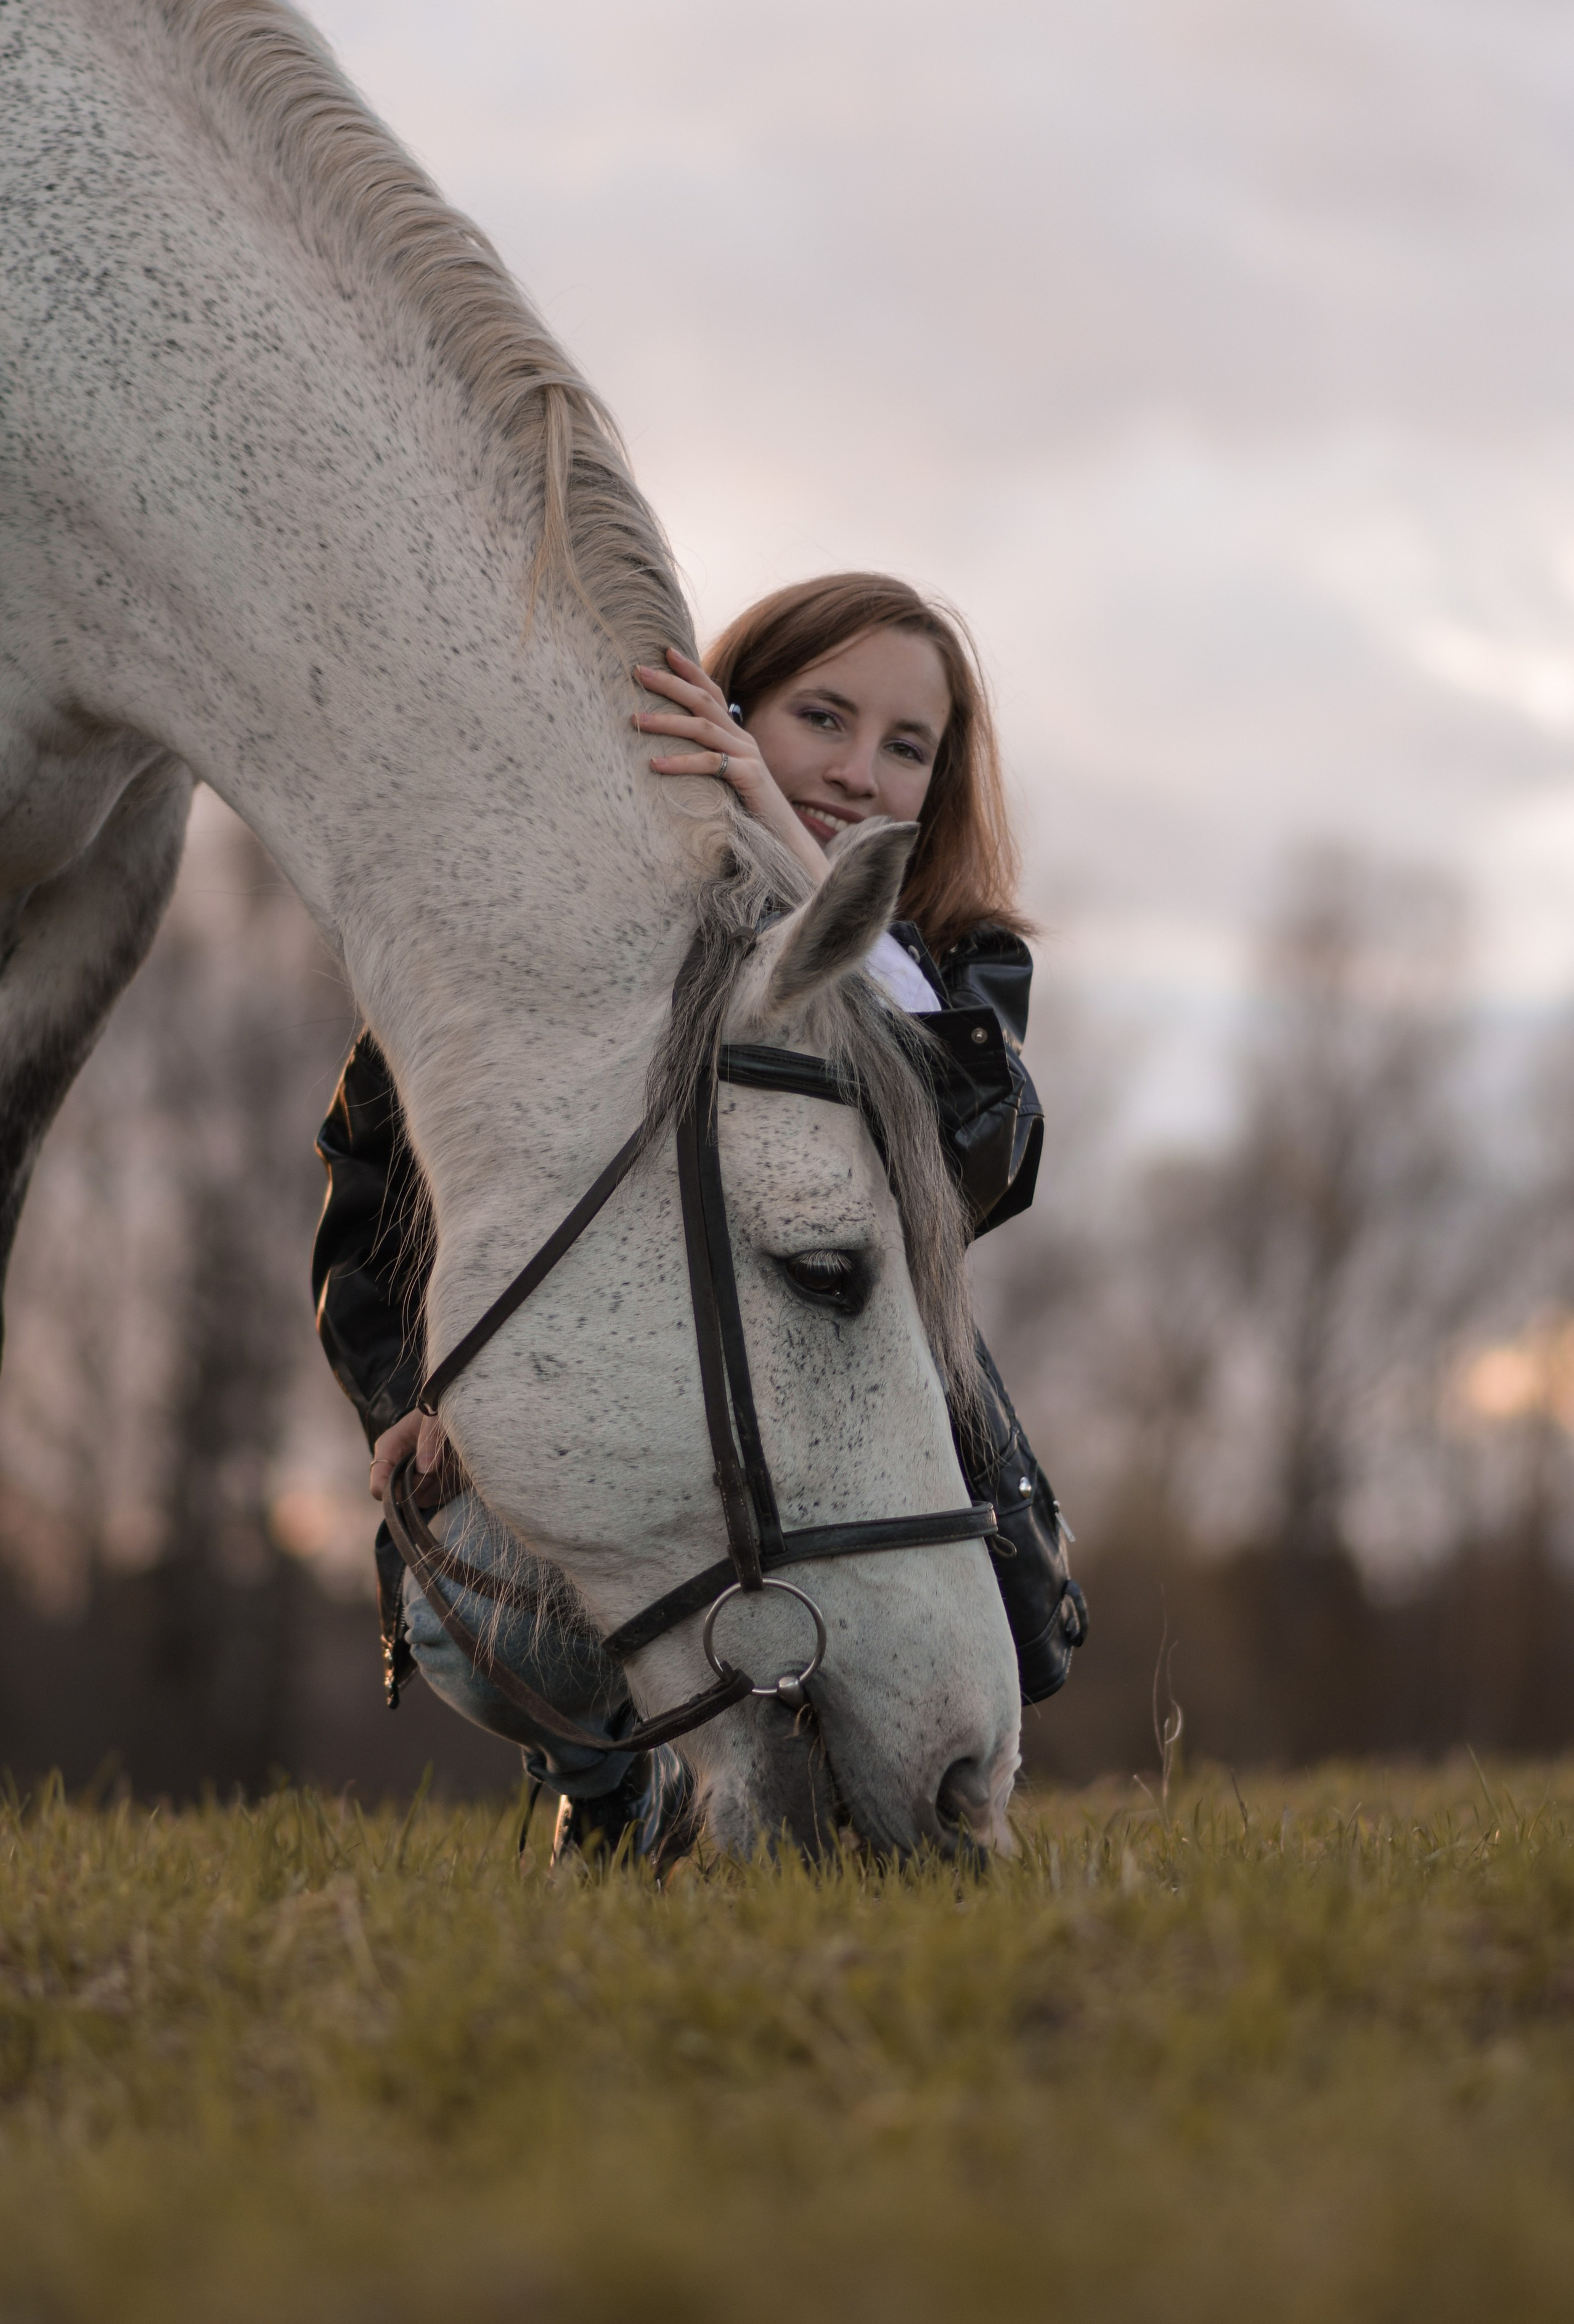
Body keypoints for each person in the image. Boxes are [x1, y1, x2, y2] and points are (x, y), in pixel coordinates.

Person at [312, 572, 1087, 1858]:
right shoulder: (562, 935)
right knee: (459, 1602)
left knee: (924, 1642)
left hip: (838, 1410)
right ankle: (618, 1797)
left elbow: (975, 1154)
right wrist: (399, 1387)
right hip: (620, 1394)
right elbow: (376, 1154)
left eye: (908, 747)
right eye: (818, 719)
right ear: (722, 709)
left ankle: (859, 1787)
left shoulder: (954, 964)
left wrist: (785, 848)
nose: (855, 771)